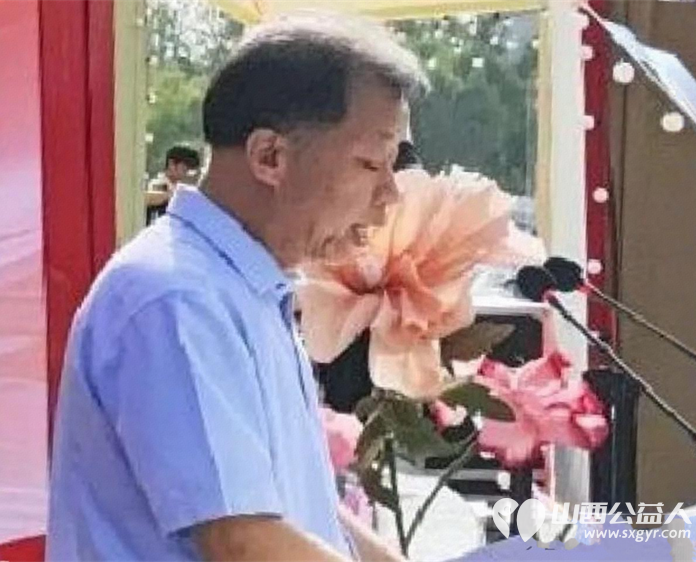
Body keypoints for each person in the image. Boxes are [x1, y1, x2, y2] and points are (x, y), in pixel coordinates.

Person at [46, 12, 428, 562]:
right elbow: (243, 541)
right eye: (372, 163)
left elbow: (301, 512)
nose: (390, 193)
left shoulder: (243, 288)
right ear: (270, 156)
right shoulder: (177, 298)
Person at [145, 145, 201, 224]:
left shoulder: (183, 189)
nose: (188, 172)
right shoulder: (158, 185)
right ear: (172, 164)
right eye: (185, 167)